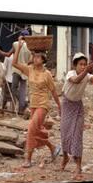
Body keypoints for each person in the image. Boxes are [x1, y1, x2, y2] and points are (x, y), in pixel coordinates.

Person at [12, 36, 61, 168]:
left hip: (43, 105)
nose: (35, 59)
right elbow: (14, 63)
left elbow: (54, 91)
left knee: (31, 129)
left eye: (38, 57)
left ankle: (28, 159)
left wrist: (59, 106)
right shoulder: (30, 70)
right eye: (34, 57)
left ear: (43, 60)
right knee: (36, 130)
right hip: (33, 104)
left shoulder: (47, 74)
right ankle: (52, 147)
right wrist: (20, 47)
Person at [60, 52, 93, 180]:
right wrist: (86, 70)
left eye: (85, 64)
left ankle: (78, 166)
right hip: (67, 105)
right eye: (80, 64)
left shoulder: (87, 75)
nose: (83, 66)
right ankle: (65, 157)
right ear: (75, 65)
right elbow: (76, 80)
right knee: (65, 134)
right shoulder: (71, 74)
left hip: (78, 107)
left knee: (77, 136)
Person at [0, 29, 32, 114]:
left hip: (16, 69)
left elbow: (8, 55)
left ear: (20, 36)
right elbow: (30, 61)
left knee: (13, 89)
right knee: (23, 90)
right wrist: (25, 64)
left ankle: (24, 104)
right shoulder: (31, 46)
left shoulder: (16, 44)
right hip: (25, 70)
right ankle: (21, 109)